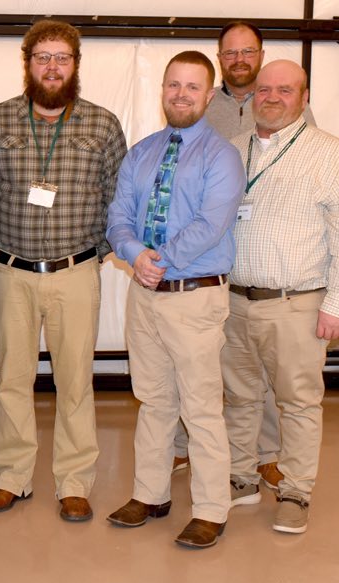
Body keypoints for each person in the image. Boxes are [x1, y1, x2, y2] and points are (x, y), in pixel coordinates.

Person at [0, 20, 127, 522]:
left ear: (76, 64)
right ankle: (11, 477)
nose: (53, 66)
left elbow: (116, 200)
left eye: (62, 57)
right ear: (28, 62)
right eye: (43, 56)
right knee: (12, 380)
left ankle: (75, 481)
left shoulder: (103, 125)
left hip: (76, 273)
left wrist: (98, 253)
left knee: (75, 382)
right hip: (13, 272)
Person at [105, 51, 244, 549]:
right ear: (162, 89)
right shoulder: (141, 152)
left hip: (194, 297)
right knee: (154, 400)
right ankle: (151, 493)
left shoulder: (222, 155)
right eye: (173, 85)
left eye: (192, 87)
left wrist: (156, 257)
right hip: (144, 296)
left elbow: (212, 224)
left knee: (202, 406)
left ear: (208, 96)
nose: (181, 94)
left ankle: (210, 508)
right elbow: (118, 213)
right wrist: (133, 252)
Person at [172, 20, 317, 479]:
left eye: (247, 52)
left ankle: (268, 455)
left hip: (275, 273)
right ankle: (189, 444)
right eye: (230, 53)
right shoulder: (201, 104)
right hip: (216, 271)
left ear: (259, 54)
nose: (239, 60)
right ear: (220, 58)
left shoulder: (289, 107)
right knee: (210, 370)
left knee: (271, 380)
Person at [222, 60, 339, 535]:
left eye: (284, 90)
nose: (271, 97)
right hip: (233, 301)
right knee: (240, 397)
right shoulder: (232, 151)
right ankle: (242, 477)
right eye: (264, 89)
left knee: (299, 402)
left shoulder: (329, 154)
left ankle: (295, 490)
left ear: (304, 98)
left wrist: (335, 304)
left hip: (298, 304)